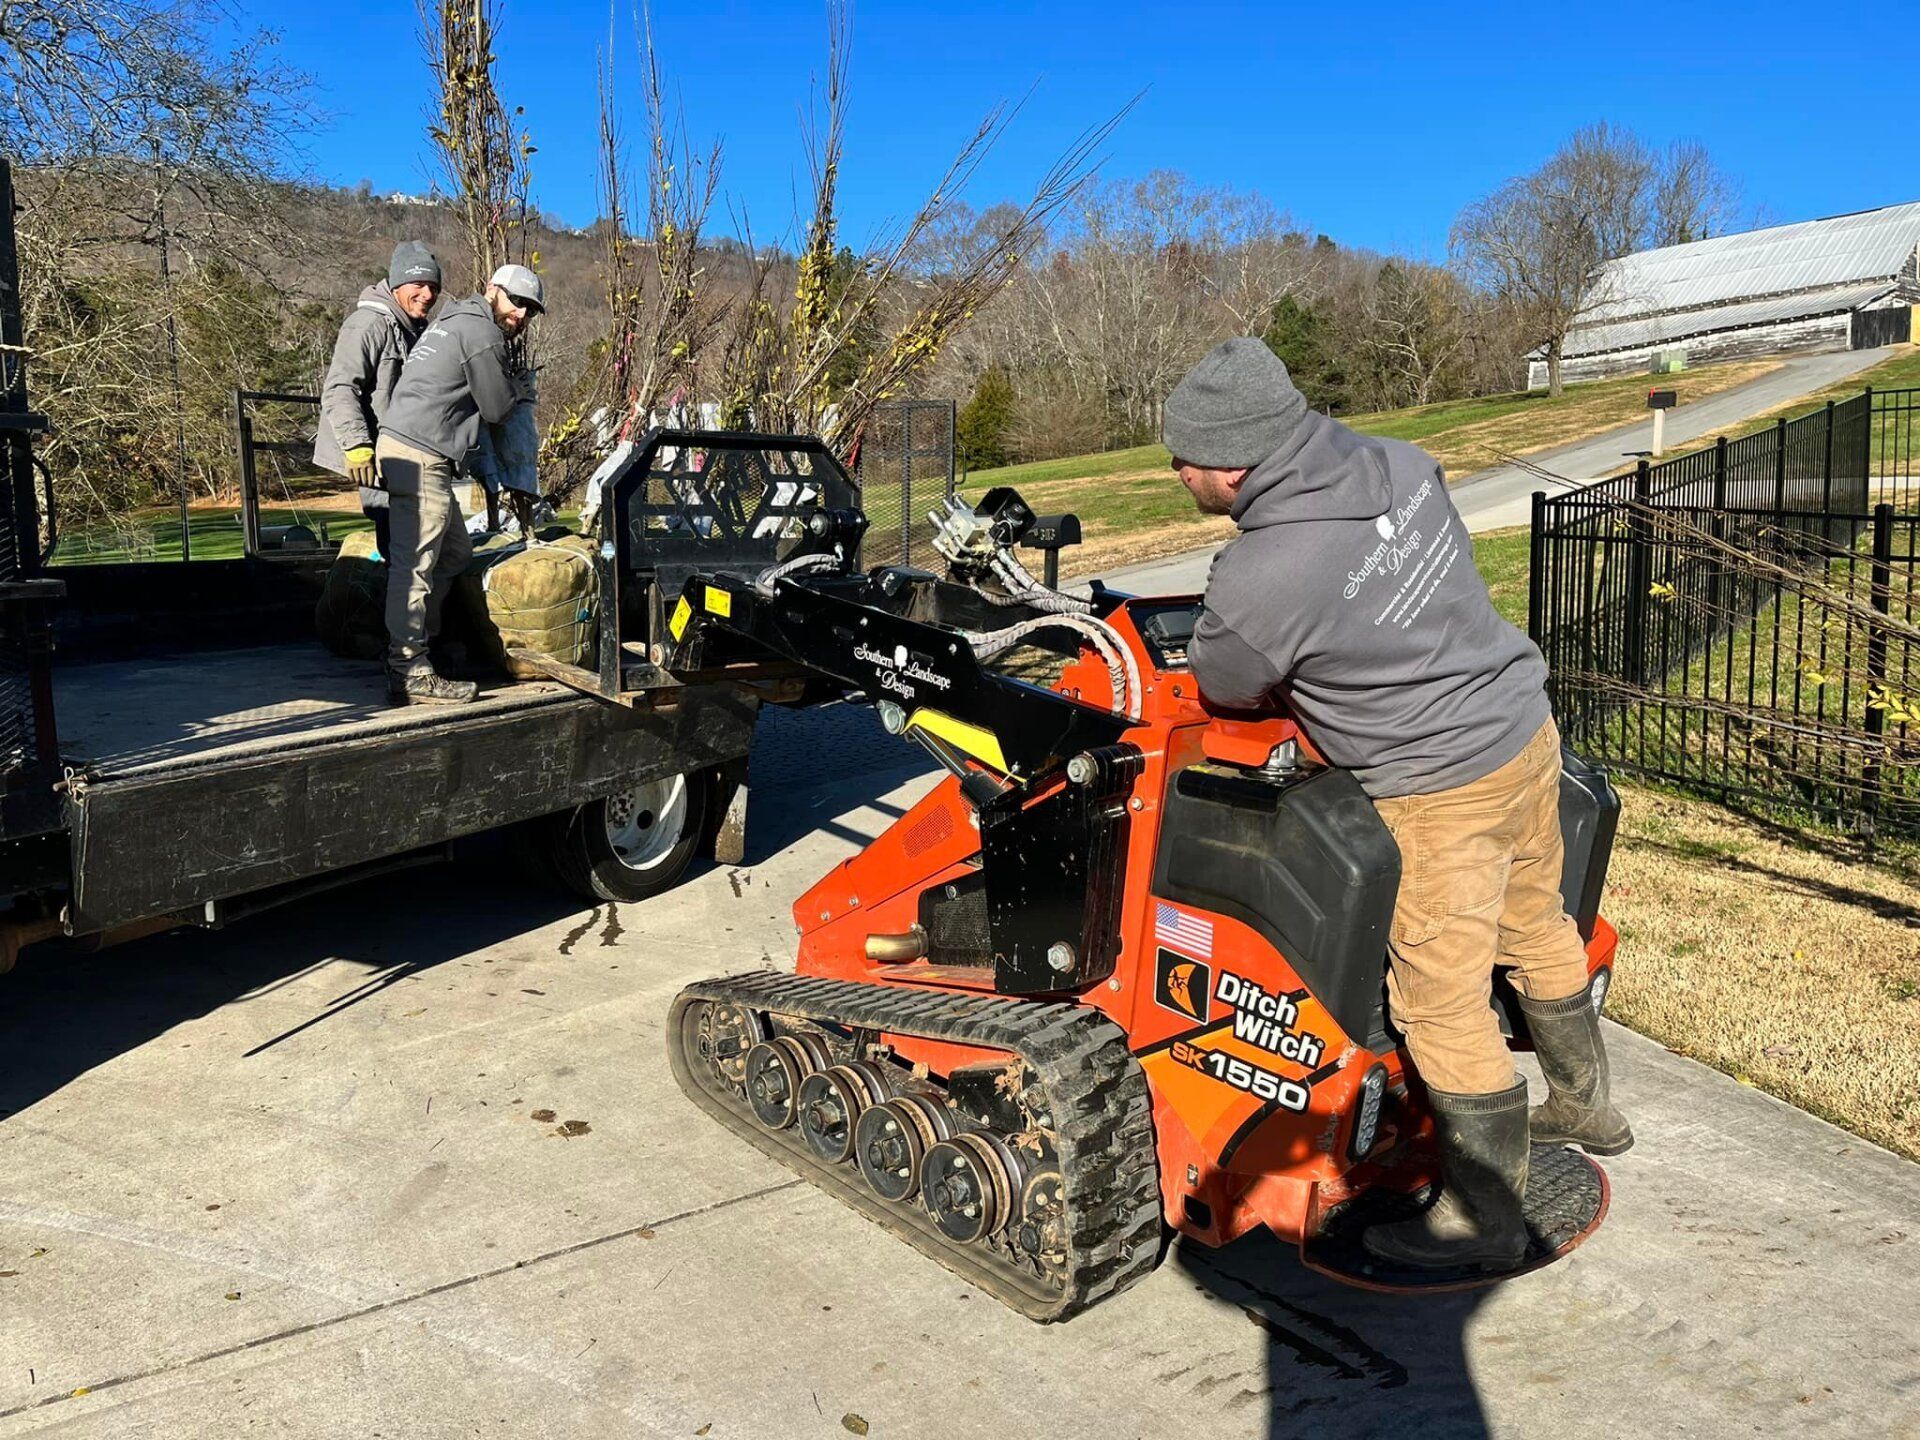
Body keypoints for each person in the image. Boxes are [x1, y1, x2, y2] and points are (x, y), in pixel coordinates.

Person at [1162, 337, 1633, 1272]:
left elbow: (1224, 679)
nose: (1176, 475)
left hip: (1438, 787)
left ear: (1225, 463)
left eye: (1179, 460)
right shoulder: (1397, 463)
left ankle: (1484, 1217)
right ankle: (1587, 1105)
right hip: (1520, 729)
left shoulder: (1267, 572)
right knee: (1535, 924)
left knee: (1441, 1002)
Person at [376, 263, 544, 705]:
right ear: (492, 290)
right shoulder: (482, 333)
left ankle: (416, 650)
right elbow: (495, 408)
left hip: (407, 444)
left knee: (453, 553)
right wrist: (520, 390)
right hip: (420, 451)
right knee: (414, 564)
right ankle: (409, 668)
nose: (521, 315)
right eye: (516, 301)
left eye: (529, 309)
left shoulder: (453, 319)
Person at [312, 241, 442, 558]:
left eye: (434, 287)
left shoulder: (414, 330)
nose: (428, 294)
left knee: (414, 550)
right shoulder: (368, 324)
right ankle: (400, 608)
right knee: (402, 551)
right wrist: (357, 446)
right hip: (377, 459)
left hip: (406, 459)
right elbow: (339, 388)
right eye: (419, 284)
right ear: (397, 284)